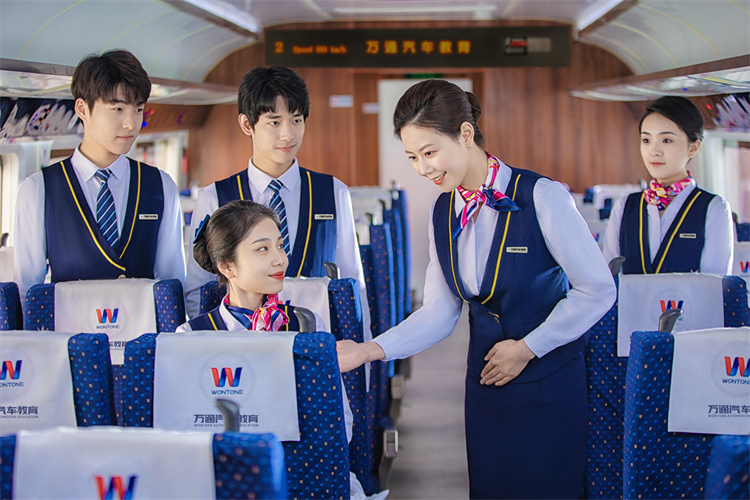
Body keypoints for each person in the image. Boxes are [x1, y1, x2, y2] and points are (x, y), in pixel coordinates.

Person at [336, 80, 616, 499]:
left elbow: (597, 289)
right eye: (412, 157)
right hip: (486, 391)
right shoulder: (442, 211)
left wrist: (529, 347)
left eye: (429, 152)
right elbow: (440, 312)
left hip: (548, 388)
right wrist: (370, 350)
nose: (422, 169)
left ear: (466, 134)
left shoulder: (542, 196)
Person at [177, 200, 385, 500]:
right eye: (263, 249)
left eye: (280, 246)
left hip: (306, 476)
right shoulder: (190, 338)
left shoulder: (307, 327)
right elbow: (186, 431)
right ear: (227, 266)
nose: (280, 260)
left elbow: (340, 420)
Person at [184, 66, 370, 342]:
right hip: (241, 348)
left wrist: (361, 350)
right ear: (247, 125)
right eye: (274, 122)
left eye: (296, 120)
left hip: (317, 342)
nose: (288, 135)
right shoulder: (214, 198)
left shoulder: (333, 192)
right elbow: (199, 291)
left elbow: (353, 283)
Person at [13, 49, 185, 305]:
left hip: (143, 330)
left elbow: (172, 284)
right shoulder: (38, 190)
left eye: (138, 109)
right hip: (70, 329)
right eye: (117, 108)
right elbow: (27, 292)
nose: (131, 123)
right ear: (82, 109)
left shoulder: (160, 186)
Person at [602, 95, 733, 274]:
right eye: (646, 140)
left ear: (693, 148)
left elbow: (714, 283)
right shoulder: (625, 206)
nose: (654, 151)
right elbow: (609, 279)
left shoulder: (713, 208)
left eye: (666, 140)